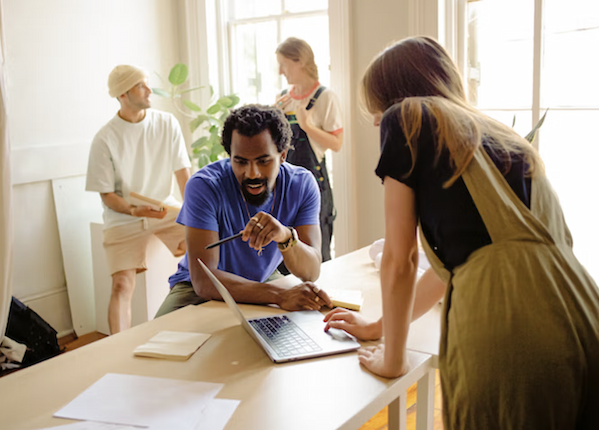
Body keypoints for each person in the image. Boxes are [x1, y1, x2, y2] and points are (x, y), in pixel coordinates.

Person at [324, 36, 599, 428]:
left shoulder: (405, 117)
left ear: (396, 96)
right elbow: (455, 267)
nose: (375, 120)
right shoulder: (505, 139)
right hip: (582, 310)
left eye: (377, 107)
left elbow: (401, 259)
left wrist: (393, 358)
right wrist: (379, 327)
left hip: (508, 327)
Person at [155, 104, 333, 317]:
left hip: (263, 279)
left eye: (263, 161)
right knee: (153, 341)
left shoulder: (302, 184)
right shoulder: (204, 186)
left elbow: (311, 271)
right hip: (198, 290)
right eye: (240, 161)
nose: (252, 173)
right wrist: (278, 295)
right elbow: (204, 281)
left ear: (283, 155)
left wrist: (285, 236)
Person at [86, 65, 191, 334]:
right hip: (123, 217)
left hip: (164, 209)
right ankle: (116, 349)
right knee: (122, 285)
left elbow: (183, 175)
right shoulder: (104, 139)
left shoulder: (166, 123)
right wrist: (134, 211)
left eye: (147, 84)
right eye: (141, 86)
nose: (149, 90)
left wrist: (195, 215)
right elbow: (107, 195)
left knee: (208, 244)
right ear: (123, 94)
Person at [275, 37, 343, 262]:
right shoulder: (284, 98)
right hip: (284, 187)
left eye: (283, 64)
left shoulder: (325, 97)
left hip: (314, 186)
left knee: (317, 254)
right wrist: (273, 116)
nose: (280, 71)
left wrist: (306, 126)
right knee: (286, 254)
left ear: (300, 62)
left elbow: (337, 143)